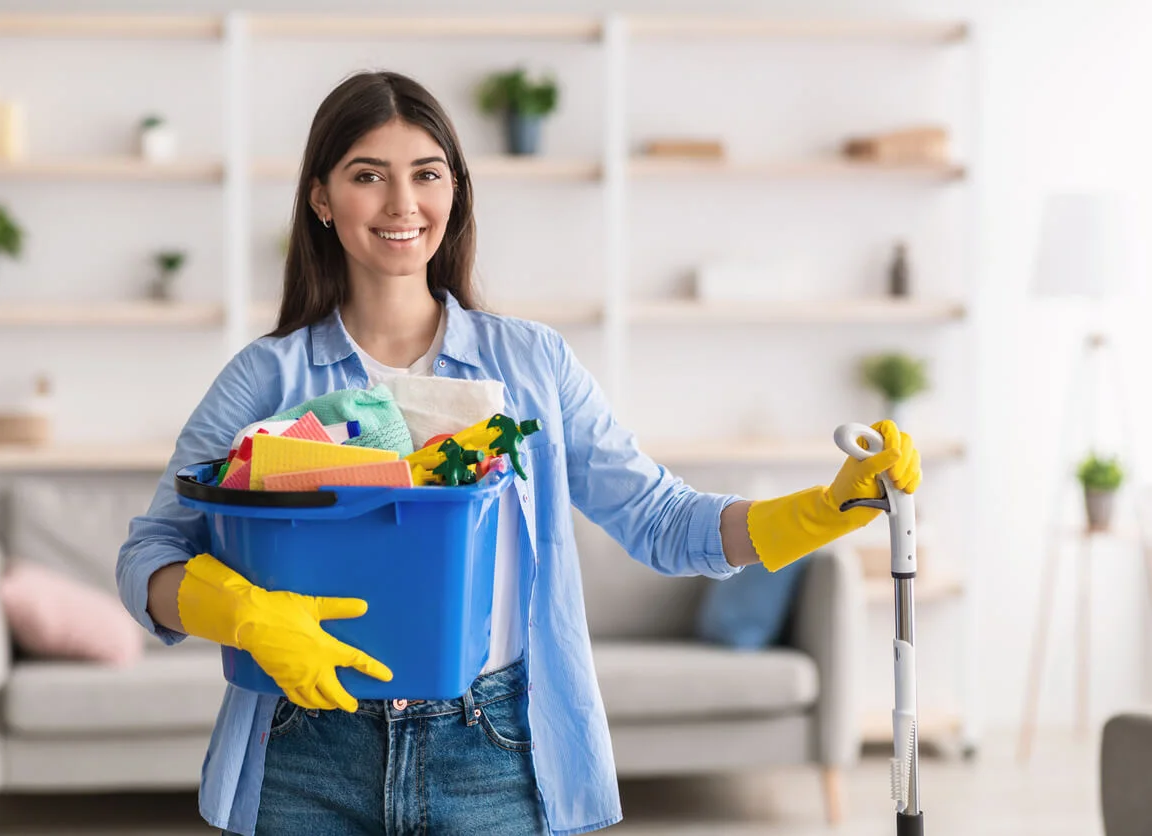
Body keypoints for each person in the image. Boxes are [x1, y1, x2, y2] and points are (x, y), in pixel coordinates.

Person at [117, 70, 921, 836]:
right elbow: (150, 555)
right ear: (321, 198)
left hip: (494, 752)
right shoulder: (267, 378)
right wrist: (247, 617)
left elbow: (662, 521)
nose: (403, 202)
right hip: (306, 752)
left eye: (427, 174)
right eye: (368, 175)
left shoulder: (532, 366)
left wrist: (828, 508)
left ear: (455, 190)